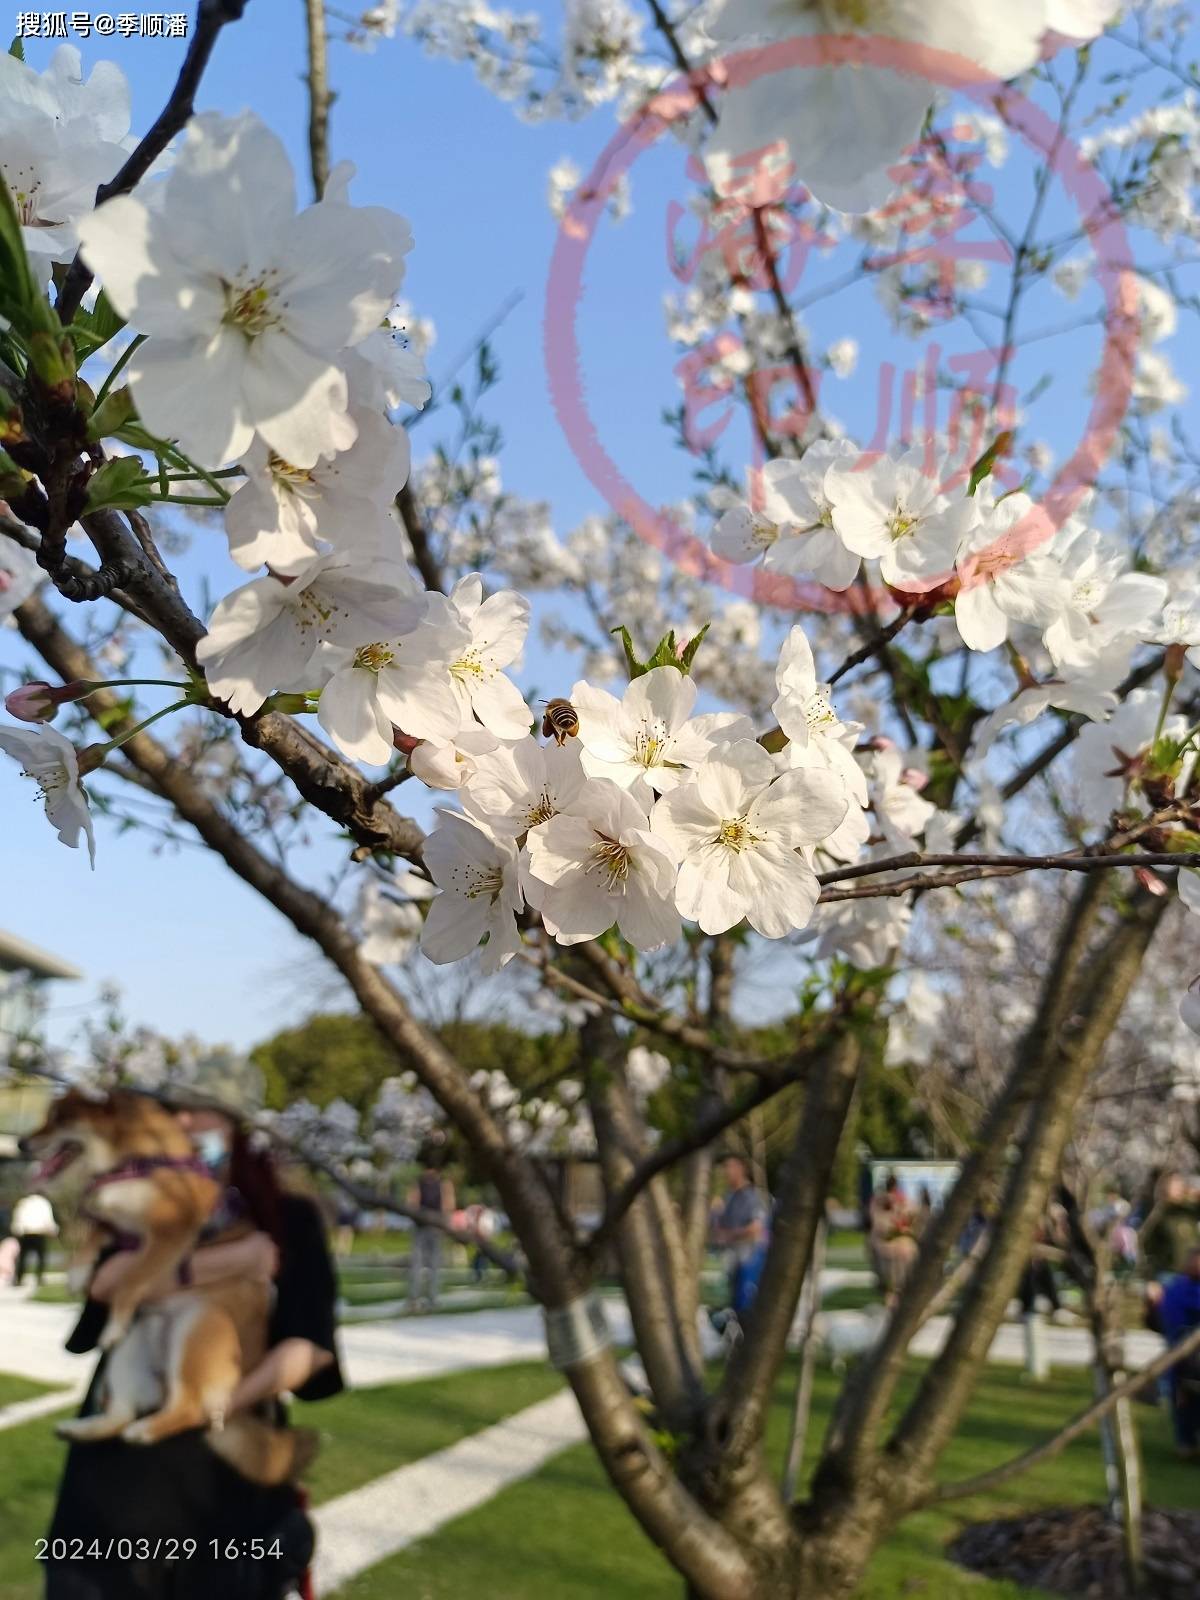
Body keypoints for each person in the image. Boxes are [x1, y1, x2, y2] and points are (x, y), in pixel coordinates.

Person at [44, 1061, 344, 1600]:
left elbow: (310, 1349)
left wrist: (224, 1403)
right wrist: (230, 1262)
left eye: (198, 1111)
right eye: (172, 1109)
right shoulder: (139, 1202)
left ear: (237, 1128)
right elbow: (102, 1288)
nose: (181, 1121)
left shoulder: (289, 1216)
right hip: (115, 1480)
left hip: (220, 1484)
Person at [712, 1153, 769, 1317]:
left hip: (749, 1259)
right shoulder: (728, 1197)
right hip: (733, 1259)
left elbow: (756, 1228)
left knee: (746, 1304)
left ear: (740, 1168)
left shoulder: (752, 1197)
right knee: (735, 1303)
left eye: (729, 1167)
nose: (726, 1172)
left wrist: (729, 1235)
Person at [1160, 1246, 1200, 1459]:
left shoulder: (1176, 1287)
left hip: (1186, 1357)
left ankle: (1187, 1443)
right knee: (1183, 1401)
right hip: (1184, 1358)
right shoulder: (1178, 1288)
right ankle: (1185, 1444)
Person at [407, 1151, 455, 1311]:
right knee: (433, 1264)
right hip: (434, 1223)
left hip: (423, 1222)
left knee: (418, 1263)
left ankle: (415, 1299)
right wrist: (446, 1224)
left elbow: (412, 1203)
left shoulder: (421, 1181)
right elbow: (448, 1204)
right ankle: (431, 1299)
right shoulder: (442, 1182)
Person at [869, 1172, 918, 1307]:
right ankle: (894, 1297)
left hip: (893, 1245)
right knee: (897, 1277)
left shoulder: (894, 1200)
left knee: (893, 1277)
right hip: (896, 1245)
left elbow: (908, 1217)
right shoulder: (888, 1200)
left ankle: (893, 1297)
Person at [12, 1187, 58, 1287]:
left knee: (23, 1257)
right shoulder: (44, 1203)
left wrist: (16, 1231)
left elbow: (18, 1218)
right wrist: (53, 1230)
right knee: (41, 1257)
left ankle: (19, 1279)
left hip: (25, 1233)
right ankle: (39, 1278)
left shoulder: (23, 1202)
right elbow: (48, 1219)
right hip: (39, 1233)